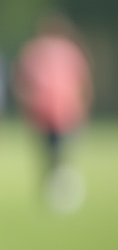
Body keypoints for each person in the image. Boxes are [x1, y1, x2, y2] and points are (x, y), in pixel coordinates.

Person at [13, 14, 93, 214]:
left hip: (63, 113)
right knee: (52, 156)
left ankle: (59, 192)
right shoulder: (37, 53)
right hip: (47, 113)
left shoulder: (65, 53)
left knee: (58, 156)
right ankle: (54, 192)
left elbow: (83, 83)